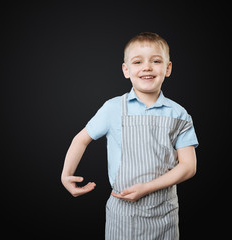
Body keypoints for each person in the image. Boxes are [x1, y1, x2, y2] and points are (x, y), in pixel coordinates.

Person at [61, 32, 199, 239]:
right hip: (122, 214)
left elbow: (189, 167)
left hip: (165, 215)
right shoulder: (112, 108)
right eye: (137, 62)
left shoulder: (179, 115)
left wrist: (147, 187)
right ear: (126, 70)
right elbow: (80, 139)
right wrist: (66, 174)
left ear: (168, 68)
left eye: (156, 61)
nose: (147, 67)